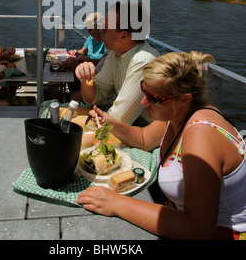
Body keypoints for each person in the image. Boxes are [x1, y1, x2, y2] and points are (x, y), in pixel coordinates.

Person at [76, 51, 246, 240]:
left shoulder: (201, 135)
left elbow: (199, 229)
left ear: (184, 99)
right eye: (144, 90)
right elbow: (144, 138)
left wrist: (117, 203)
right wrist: (111, 123)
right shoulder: (179, 113)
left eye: (153, 98)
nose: (143, 102)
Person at [75, 2, 159, 124]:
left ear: (123, 35)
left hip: (143, 130)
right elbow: (97, 97)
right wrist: (85, 77)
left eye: (106, 27)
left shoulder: (143, 62)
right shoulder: (115, 53)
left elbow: (120, 118)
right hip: (122, 124)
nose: (101, 30)